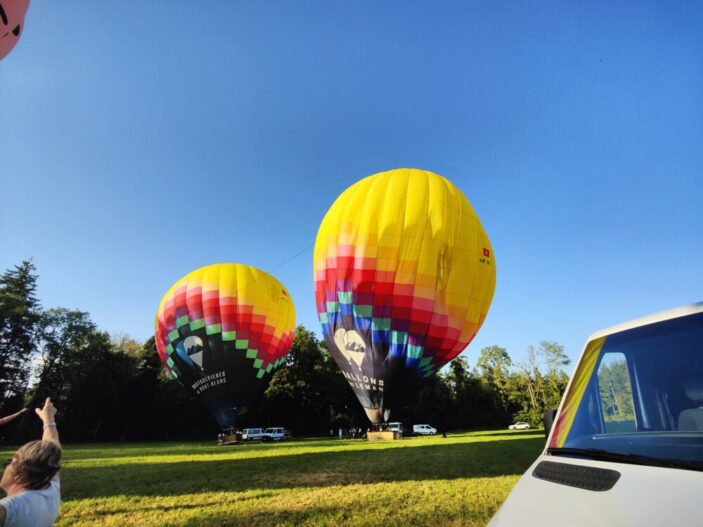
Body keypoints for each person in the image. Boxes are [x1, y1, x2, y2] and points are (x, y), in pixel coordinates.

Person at [0, 398, 61, 527]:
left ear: (19, 476)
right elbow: (52, 447)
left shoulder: (8, 510)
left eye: (9, 463)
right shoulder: (51, 489)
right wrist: (49, 419)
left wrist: (49, 419)